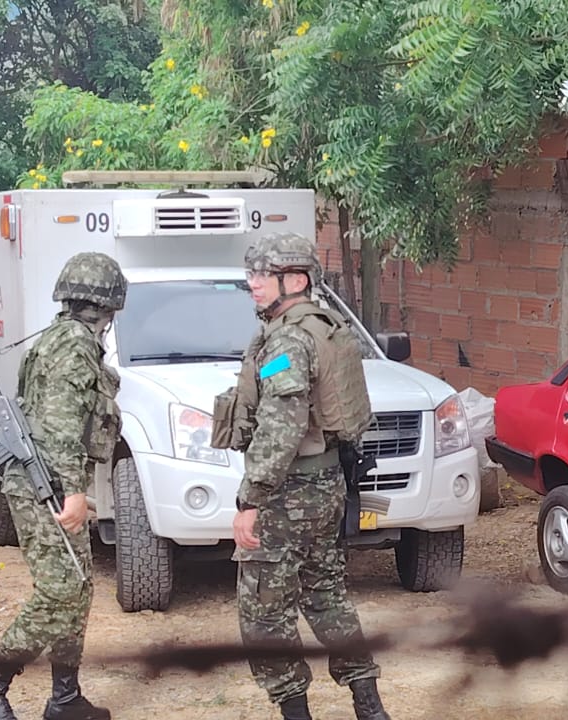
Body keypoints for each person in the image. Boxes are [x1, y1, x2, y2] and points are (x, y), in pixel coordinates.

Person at [221, 232, 391, 720]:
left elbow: (283, 423)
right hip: (325, 485)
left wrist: (251, 499)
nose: (253, 283)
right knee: (327, 595)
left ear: (294, 281)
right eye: (251, 274)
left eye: (263, 275)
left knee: (264, 612)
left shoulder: (289, 340)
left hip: (288, 493)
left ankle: (297, 713)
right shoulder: (324, 325)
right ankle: (369, 706)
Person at [0, 252, 127, 720]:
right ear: (109, 304)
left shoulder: (62, 337)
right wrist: (73, 491)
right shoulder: (73, 344)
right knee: (59, 591)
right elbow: (60, 424)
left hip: (48, 479)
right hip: (45, 485)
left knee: (78, 587)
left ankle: (65, 697)